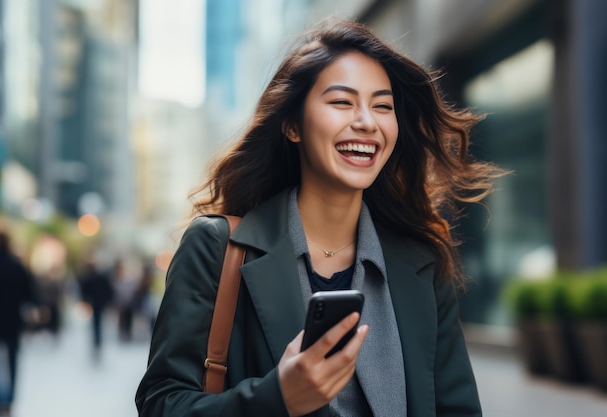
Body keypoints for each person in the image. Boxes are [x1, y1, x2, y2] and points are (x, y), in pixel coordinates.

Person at [136, 19, 505, 417]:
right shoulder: (216, 247)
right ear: (293, 125)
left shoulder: (421, 261)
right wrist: (278, 397)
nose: (367, 121)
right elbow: (162, 403)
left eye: (383, 106)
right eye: (342, 102)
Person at [0, 230, 38, 417]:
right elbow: (29, 294)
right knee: (12, 360)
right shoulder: (17, 265)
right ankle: (10, 399)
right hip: (12, 322)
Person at [78, 258, 114, 359]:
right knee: (97, 325)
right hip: (97, 304)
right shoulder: (97, 277)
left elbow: (84, 291)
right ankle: (97, 343)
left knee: (96, 325)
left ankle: (97, 343)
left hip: (95, 304)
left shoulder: (91, 278)